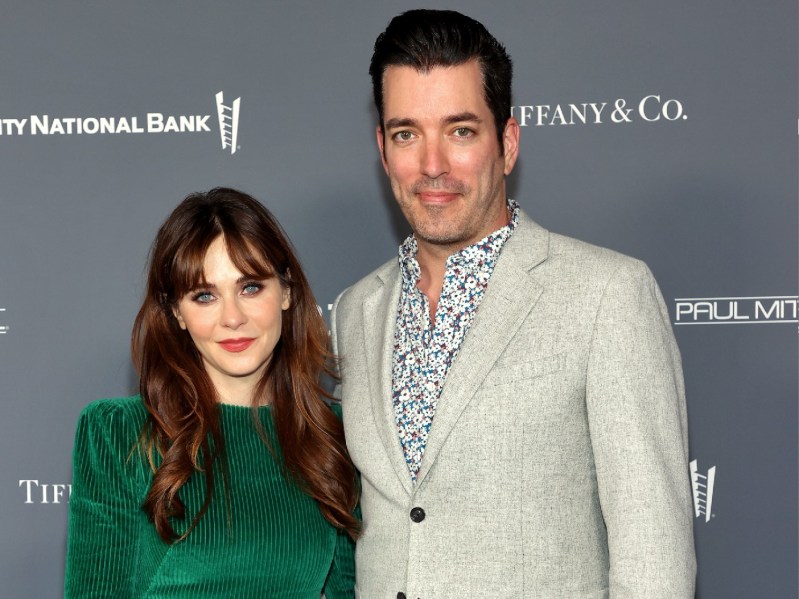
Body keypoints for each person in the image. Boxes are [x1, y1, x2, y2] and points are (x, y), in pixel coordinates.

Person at [331, 9, 696, 598]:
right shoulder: (356, 311)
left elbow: (655, 567)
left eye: (460, 130)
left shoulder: (607, 296)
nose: (432, 165)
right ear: (383, 148)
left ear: (507, 141)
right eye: (407, 133)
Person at [65, 188, 358, 598]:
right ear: (175, 313)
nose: (233, 317)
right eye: (204, 296)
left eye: (251, 287)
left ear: (286, 291)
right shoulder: (118, 434)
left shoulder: (334, 439)